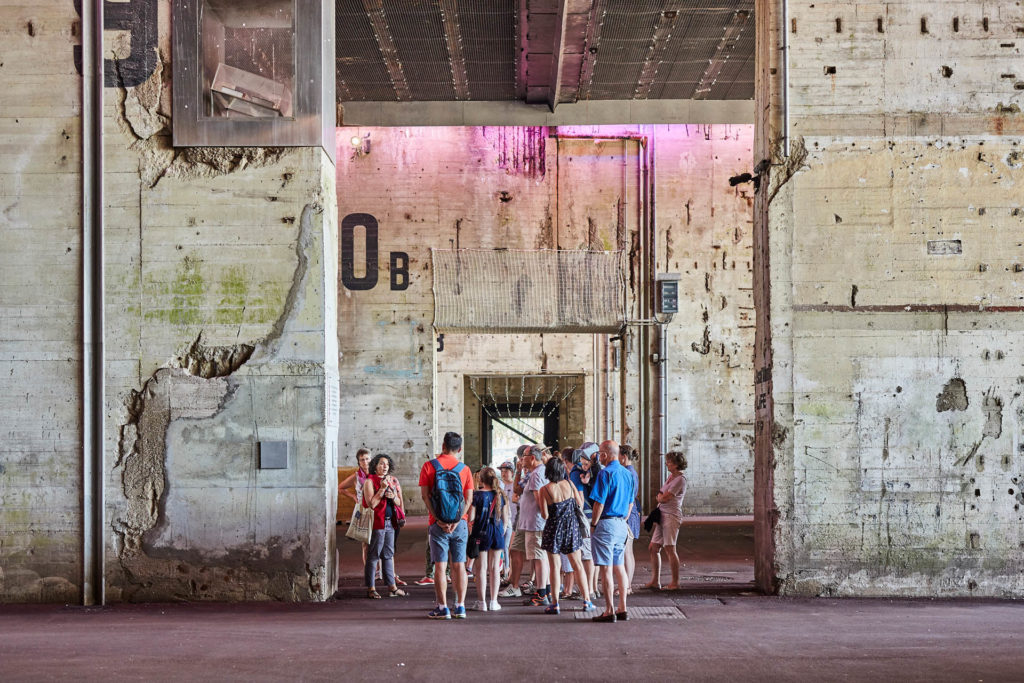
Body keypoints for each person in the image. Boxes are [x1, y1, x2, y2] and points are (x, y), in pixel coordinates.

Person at [419, 432, 474, 620]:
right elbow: (468, 499)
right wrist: (457, 520)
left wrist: (438, 519)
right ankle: (460, 607)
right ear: (459, 449)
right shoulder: (464, 469)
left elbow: (425, 496)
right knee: (460, 565)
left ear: (443, 446)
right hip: (460, 525)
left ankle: (442, 608)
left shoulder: (429, 466)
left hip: (437, 524)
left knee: (440, 567)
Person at [538, 457, 596, 614]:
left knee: (555, 567)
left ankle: (555, 604)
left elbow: (544, 515)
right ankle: (587, 601)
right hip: (571, 528)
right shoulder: (570, 484)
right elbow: (579, 503)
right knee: (577, 565)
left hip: (553, 529)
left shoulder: (544, 490)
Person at [588, 440, 634, 622]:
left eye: (600, 453)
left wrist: (593, 524)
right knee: (619, 567)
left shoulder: (605, 473)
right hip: (622, 523)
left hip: (606, 523)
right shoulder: (627, 473)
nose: (599, 456)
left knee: (605, 569)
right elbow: (631, 503)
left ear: (605, 455)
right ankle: (623, 607)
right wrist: (622, 520)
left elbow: (599, 503)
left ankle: (609, 610)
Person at [361, 453, 406, 599]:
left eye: (387, 464)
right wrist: (381, 490)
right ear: (375, 466)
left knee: (388, 554)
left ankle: (392, 587)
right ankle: (371, 588)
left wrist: (393, 497)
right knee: (373, 555)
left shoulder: (392, 480)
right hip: (376, 523)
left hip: (390, 523)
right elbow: (371, 504)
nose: (385, 466)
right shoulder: (369, 481)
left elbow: (399, 502)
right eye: (381, 463)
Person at [644, 451, 688, 590]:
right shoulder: (670, 477)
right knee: (653, 547)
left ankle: (675, 582)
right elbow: (661, 495)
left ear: (676, 464)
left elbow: (665, 497)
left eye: (669, 462)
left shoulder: (680, 479)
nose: (667, 464)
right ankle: (655, 581)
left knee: (670, 548)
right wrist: (660, 497)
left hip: (671, 516)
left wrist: (660, 497)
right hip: (662, 514)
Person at [468, 466, 509, 611]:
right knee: (495, 569)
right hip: (497, 531)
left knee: (481, 568)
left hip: (481, 531)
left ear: (480, 479)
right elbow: (506, 519)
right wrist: (501, 531)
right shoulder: (501, 495)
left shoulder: (476, 495)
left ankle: (481, 602)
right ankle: (494, 601)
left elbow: (471, 517)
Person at [517, 445, 552, 606]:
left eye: (524, 455)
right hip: (536, 523)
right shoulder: (538, 472)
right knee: (541, 558)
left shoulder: (537, 474)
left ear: (532, 457)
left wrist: (544, 517)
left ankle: (541, 593)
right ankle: (546, 590)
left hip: (536, 524)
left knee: (539, 558)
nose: (521, 459)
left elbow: (540, 500)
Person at [498, 445, 531, 598]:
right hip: (515, 521)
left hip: (522, 521)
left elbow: (517, 494)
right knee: (511, 551)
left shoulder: (530, 477)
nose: (503, 473)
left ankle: (534, 584)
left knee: (532, 554)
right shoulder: (502, 486)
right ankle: (513, 579)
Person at [619, 444, 641, 593]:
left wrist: (625, 516)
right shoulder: (631, 472)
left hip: (628, 515)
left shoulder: (628, 473)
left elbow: (629, 499)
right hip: (630, 514)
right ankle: (627, 585)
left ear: (624, 457)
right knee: (628, 551)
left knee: (627, 551)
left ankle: (627, 586)